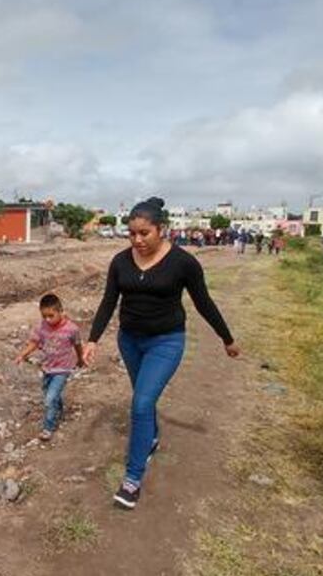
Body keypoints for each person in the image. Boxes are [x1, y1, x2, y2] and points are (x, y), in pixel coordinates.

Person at [82, 197, 241, 510]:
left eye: (145, 233)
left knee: (140, 403)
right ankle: (151, 437)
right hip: (129, 340)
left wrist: (227, 338)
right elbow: (108, 302)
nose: (138, 240)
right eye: (132, 234)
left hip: (165, 342)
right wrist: (93, 339)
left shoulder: (183, 263)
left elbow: (203, 302)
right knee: (144, 397)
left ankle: (132, 478)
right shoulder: (120, 261)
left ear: (161, 229)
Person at [14, 293, 84, 442]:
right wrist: (22, 354)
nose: (47, 319)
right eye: (44, 316)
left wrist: (80, 359)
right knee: (51, 395)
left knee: (49, 398)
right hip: (47, 368)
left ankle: (48, 427)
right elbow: (34, 342)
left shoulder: (72, 329)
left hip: (62, 370)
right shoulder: (42, 327)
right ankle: (59, 411)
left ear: (60, 311)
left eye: (51, 316)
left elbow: (77, 345)